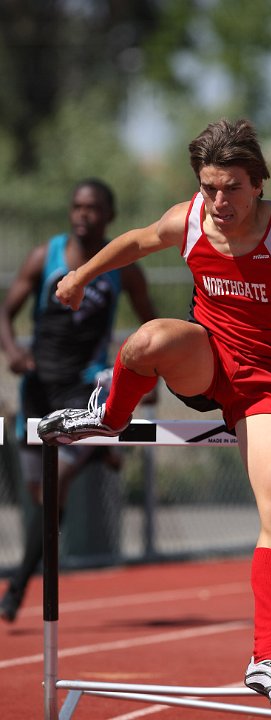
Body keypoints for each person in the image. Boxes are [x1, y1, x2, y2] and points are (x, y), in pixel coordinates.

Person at [37, 120, 271, 713]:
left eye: (233, 189)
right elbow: (138, 241)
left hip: (266, 384)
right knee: (148, 339)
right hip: (207, 362)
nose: (220, 203)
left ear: (258, 183)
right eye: (210, 187)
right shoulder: (190, 217)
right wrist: (81, 276)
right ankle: (110, 416)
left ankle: (268, 658)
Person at [0, 178, 157, 623]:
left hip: (84, 389)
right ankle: (98, 452)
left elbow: (154, 323)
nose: (82, 215)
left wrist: (153, 372)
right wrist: (13, 353)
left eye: (92, 208)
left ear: (110, 214)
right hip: (38, 388)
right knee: (39, 495)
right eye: (76, 207)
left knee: (56, 486)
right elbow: (4, 314)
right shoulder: (43, 258)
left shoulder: (124, 267)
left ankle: (13, 590)